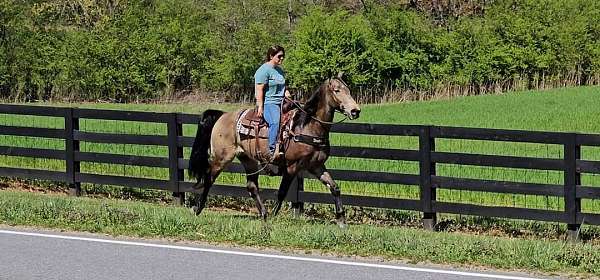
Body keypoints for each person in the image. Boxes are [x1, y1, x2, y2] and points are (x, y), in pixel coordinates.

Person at [254, 45, 291, 162]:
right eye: (279, 56)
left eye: (283, 56)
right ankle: (272, 151)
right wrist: (260, 106)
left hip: (282, 102)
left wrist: (287, 93)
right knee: (275, 122)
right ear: (271, 56)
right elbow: (259, 89)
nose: (282, 59)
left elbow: (283, 87)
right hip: (270, 103)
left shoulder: (279, 70)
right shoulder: (264, 70)